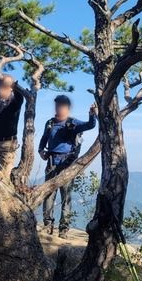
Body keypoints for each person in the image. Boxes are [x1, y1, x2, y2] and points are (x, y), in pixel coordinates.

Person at [39, 95, 97, 238]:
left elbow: (90, 125)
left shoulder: (73, 122)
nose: (59, 107)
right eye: (57, 105)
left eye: (62, 105)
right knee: (48, 196)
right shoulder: (50, 123)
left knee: (66, 198)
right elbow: (44, 138)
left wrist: (92, 115)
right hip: (52, 162)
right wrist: (41, 150)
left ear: (67, 108)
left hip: (67, 164)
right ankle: (48, 227)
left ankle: (63, 230)